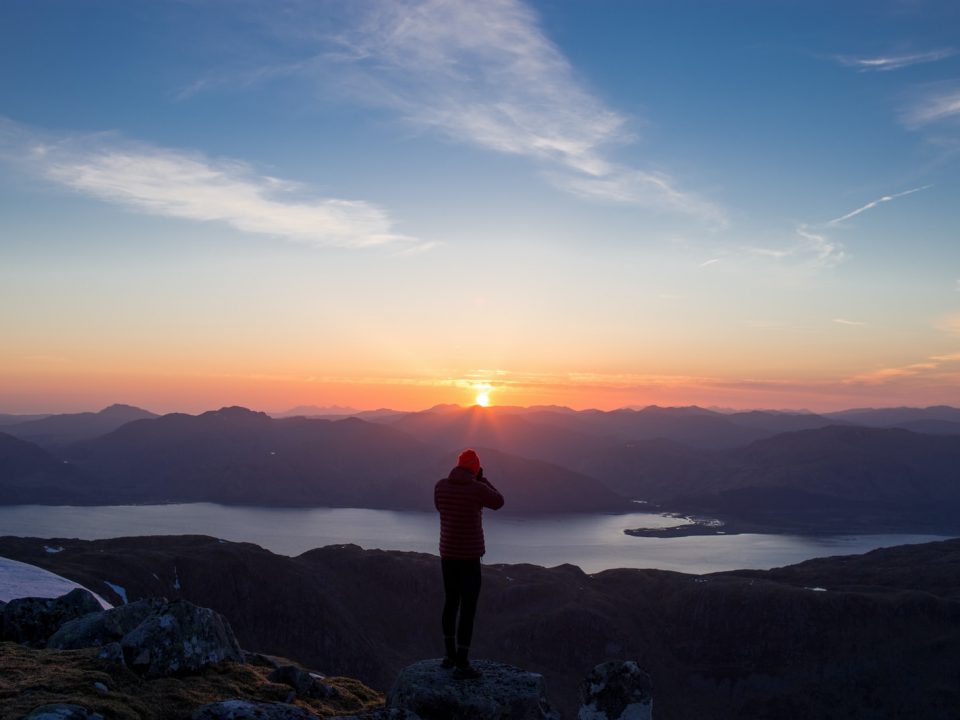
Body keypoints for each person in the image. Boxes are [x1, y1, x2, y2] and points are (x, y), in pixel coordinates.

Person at [434, 448, 504, 678]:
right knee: (468, 607)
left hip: (448, 555)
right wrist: (482, 479)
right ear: (475, 468)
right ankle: (463, 663)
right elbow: (499, 502)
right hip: (470, 557)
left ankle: (449, 656)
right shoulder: (477, 489)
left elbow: (440, 508)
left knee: (450, 602)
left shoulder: (440, 486)